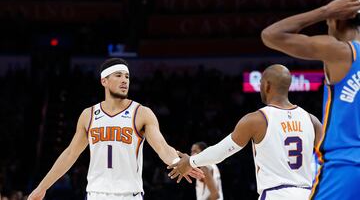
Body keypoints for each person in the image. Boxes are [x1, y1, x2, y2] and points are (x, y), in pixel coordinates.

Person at [27, 58, 203, 200]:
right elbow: (70, 154)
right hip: (96, 194)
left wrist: (179, 162)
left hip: (129, 195)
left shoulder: (141, 113)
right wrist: (42, 188)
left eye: (127, 76)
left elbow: (162, 148)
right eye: (118, 75)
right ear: (104, 80)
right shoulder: (88, 115)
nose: (124, 80)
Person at [168, 65, 323, 200]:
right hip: (308, 194)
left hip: (275, 195)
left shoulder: (257, 119)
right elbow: (329, 161)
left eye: (261, 82)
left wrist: (190, 162)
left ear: (267, 85)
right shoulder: (312, 120)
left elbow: (220, 152)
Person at [261, 0, 360, 199]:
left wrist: (325, 11)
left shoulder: (341, 52)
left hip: (346, 165)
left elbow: (270, 35)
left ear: (337, 20)